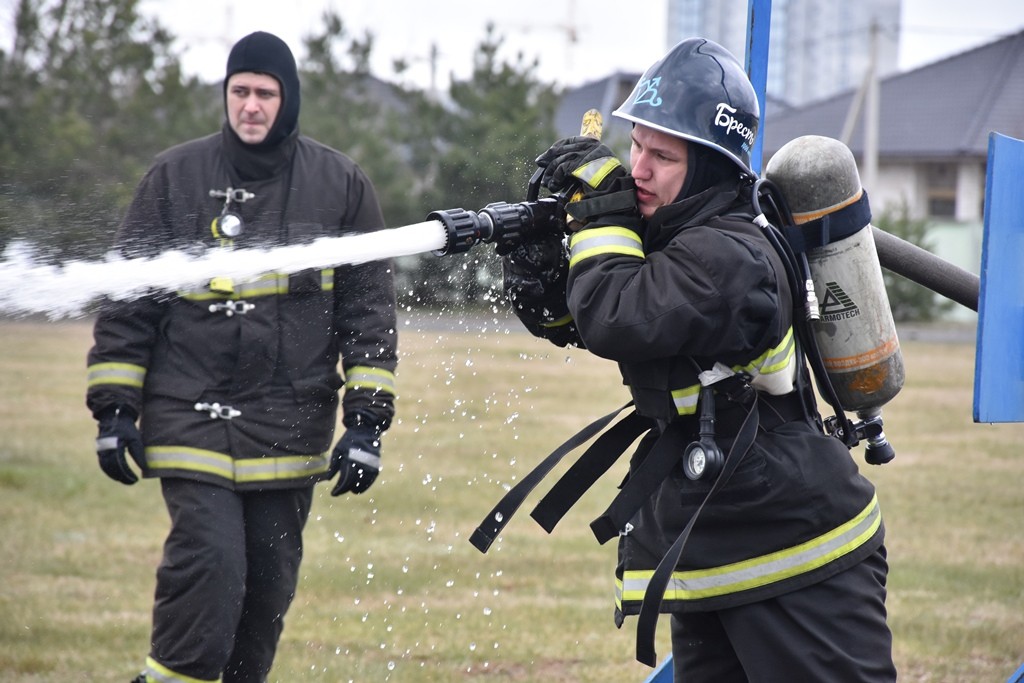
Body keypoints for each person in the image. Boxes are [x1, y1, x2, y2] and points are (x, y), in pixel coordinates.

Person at [500, 38, 896, 681]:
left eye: (663, 156)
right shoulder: (678, 243)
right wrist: (542, 267)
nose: (639, 169)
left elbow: (619, 315)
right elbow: (589, 318)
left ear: (711, 167)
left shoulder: (730, 256)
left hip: (796, 551)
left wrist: (599, 218)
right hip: (716, 548)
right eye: (636, 146)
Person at [85, 31, 398, 683]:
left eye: (264, 93)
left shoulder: (340, 185)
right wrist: (115, 409)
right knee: (210, 572)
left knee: (264, 599)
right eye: (239, 91)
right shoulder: (175, 177)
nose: (250, 106)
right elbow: (128, 302)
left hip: (290, 425)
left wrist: (366, 423)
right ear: (224, 95)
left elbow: (368, 310)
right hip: (190, 419)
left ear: (288, 102)